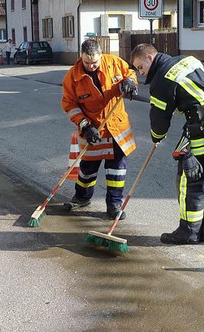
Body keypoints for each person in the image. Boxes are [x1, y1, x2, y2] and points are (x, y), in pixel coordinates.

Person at [131, 43, 204, 245]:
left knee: (191, 181)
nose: (140, 73)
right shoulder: (188, 59)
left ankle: (189, 231)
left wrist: (157, 136)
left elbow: (160, 119)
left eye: (140, 67)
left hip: (200, 132)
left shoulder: (162, 79)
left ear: (150, 58)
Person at [61, 39, 139, 220]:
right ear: (81, 57)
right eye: (87, 63)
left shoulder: (114, 63)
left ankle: (114, 204)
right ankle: (81, 197)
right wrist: (85, 126)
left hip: (116, 128)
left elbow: (130, 73)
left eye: (94, 62)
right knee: (87, 169)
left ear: (101, 55)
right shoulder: (72, 77)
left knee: (116, 170)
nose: (91, 66)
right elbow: (69, 105)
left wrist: (130, 83)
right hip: (93, 129)